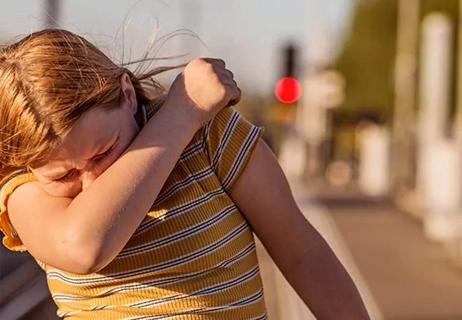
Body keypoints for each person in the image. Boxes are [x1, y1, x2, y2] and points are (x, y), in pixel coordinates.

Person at [0, 29, 370, 319]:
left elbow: (302, 252)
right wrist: (182, 112)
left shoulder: (210, 138)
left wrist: (189, 118)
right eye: (64, 176)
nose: (94, 182)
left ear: (127, 93)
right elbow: (83, 248)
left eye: (103, 152)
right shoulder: (24, 190)